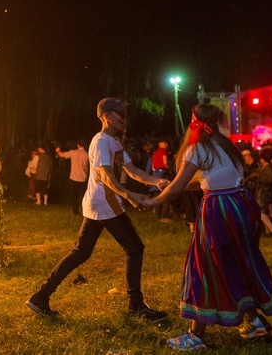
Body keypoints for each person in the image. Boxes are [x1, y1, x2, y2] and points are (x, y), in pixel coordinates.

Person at [143, 104, 272, 351]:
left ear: (194, 120)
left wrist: (152, 200)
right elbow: (210, 180)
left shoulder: (197, 148)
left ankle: (195, 336)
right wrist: (178, 184)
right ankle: (254, 323)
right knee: (236, 262)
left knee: (205, 266)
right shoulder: (226, 145)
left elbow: (177, 188)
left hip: (219, 210)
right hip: (239, 205)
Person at [26, 97, 169, 321]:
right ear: (106, 116)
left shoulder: (115, 142)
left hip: (100, 203)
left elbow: (132, 171)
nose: (124, 117)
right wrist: (129, 196)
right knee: (134, 248)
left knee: (81, 252)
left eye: (124, 112)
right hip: (105, 204)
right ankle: (136, 306)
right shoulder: (101, 141)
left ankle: (40, 297)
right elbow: (106, 176)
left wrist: (156, 182)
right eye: (119, 113)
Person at [56, 139, 90, 215]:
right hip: (83, 178)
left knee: (74, 196)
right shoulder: (87, 154)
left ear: (78, 145)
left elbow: (61, 155)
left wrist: (58, 150)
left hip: (74, 177)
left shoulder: (73, 153)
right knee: (83, 196)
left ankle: (75, 211)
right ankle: (86, 210)